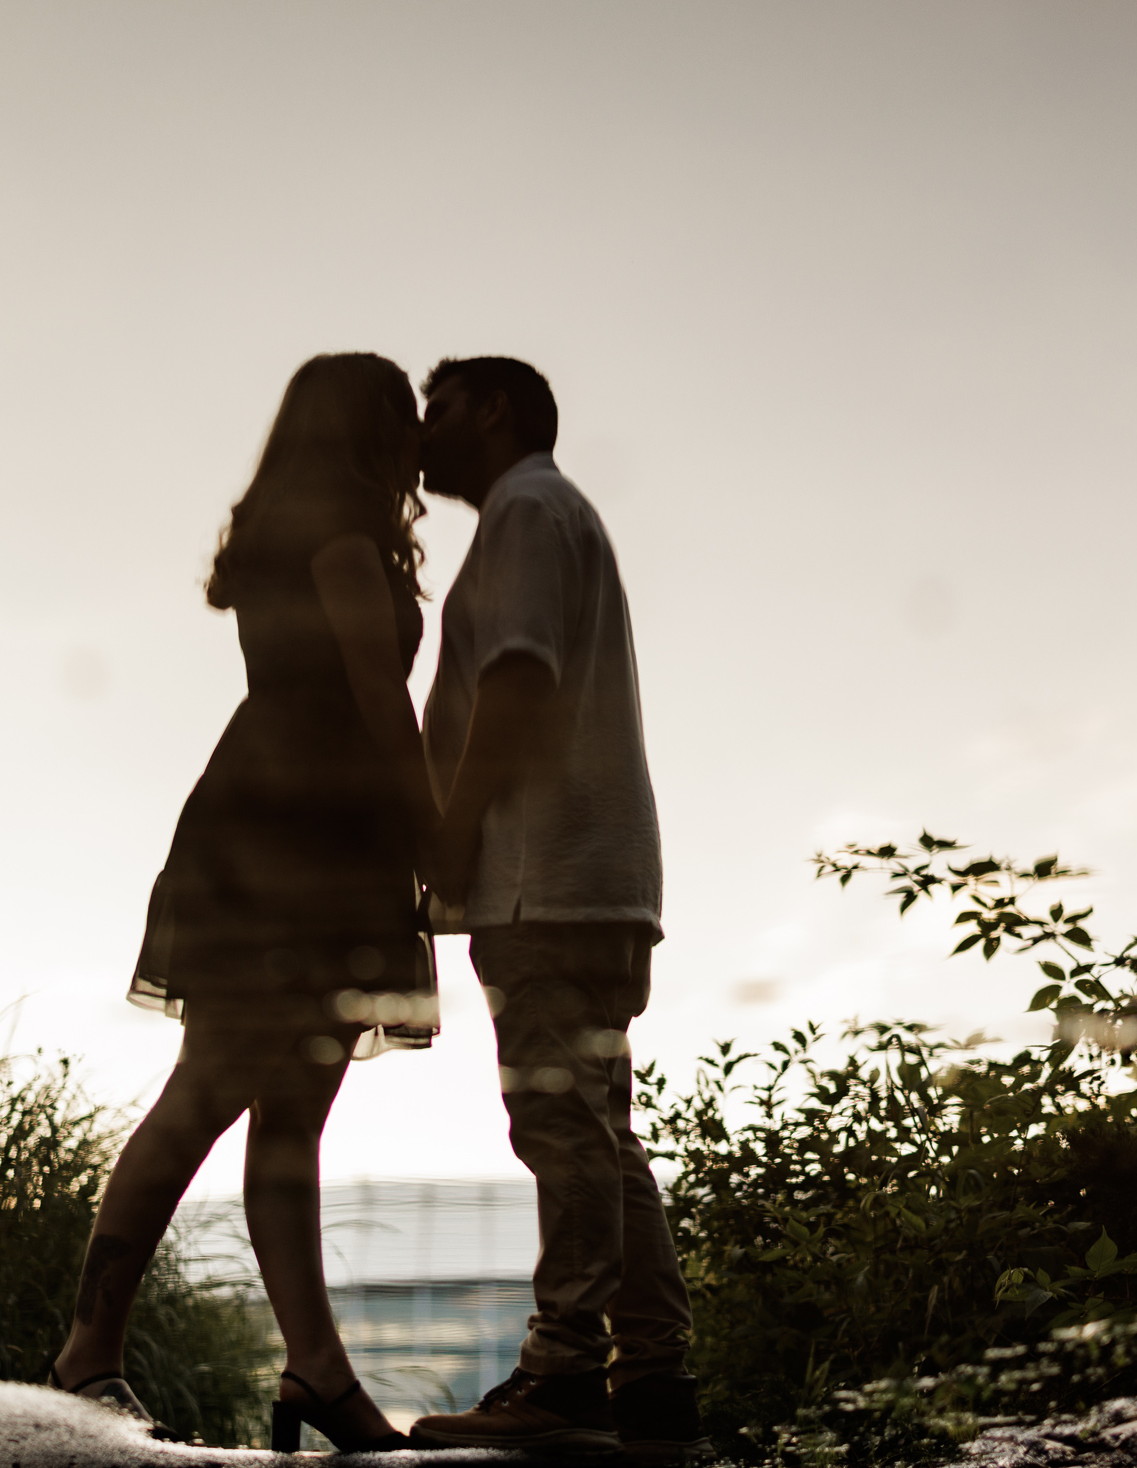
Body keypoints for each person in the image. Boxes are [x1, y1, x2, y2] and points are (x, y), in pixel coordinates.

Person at [47, 353, 438, 1454]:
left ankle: (315, 1370)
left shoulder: (288, 526)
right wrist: (434, 835)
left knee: (285, 1118)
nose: (415, 437)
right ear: (367, 427)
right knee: (216, 1089)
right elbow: (376, 693)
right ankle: (85, 1354)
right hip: (297, 843)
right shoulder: (341, 535)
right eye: (400, 418)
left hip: (286, 825)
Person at [404, 358, 705, 1461]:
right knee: (600, 1132)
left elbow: (519, 681)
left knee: (560, 1128)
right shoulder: (555, 513)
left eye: (437, 408)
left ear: (490, 410)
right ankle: (656, 1375)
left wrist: (451, 830)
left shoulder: (528, 510)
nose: (422, 433)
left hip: (547, 877)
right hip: (599, 877)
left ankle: (567, 1372)